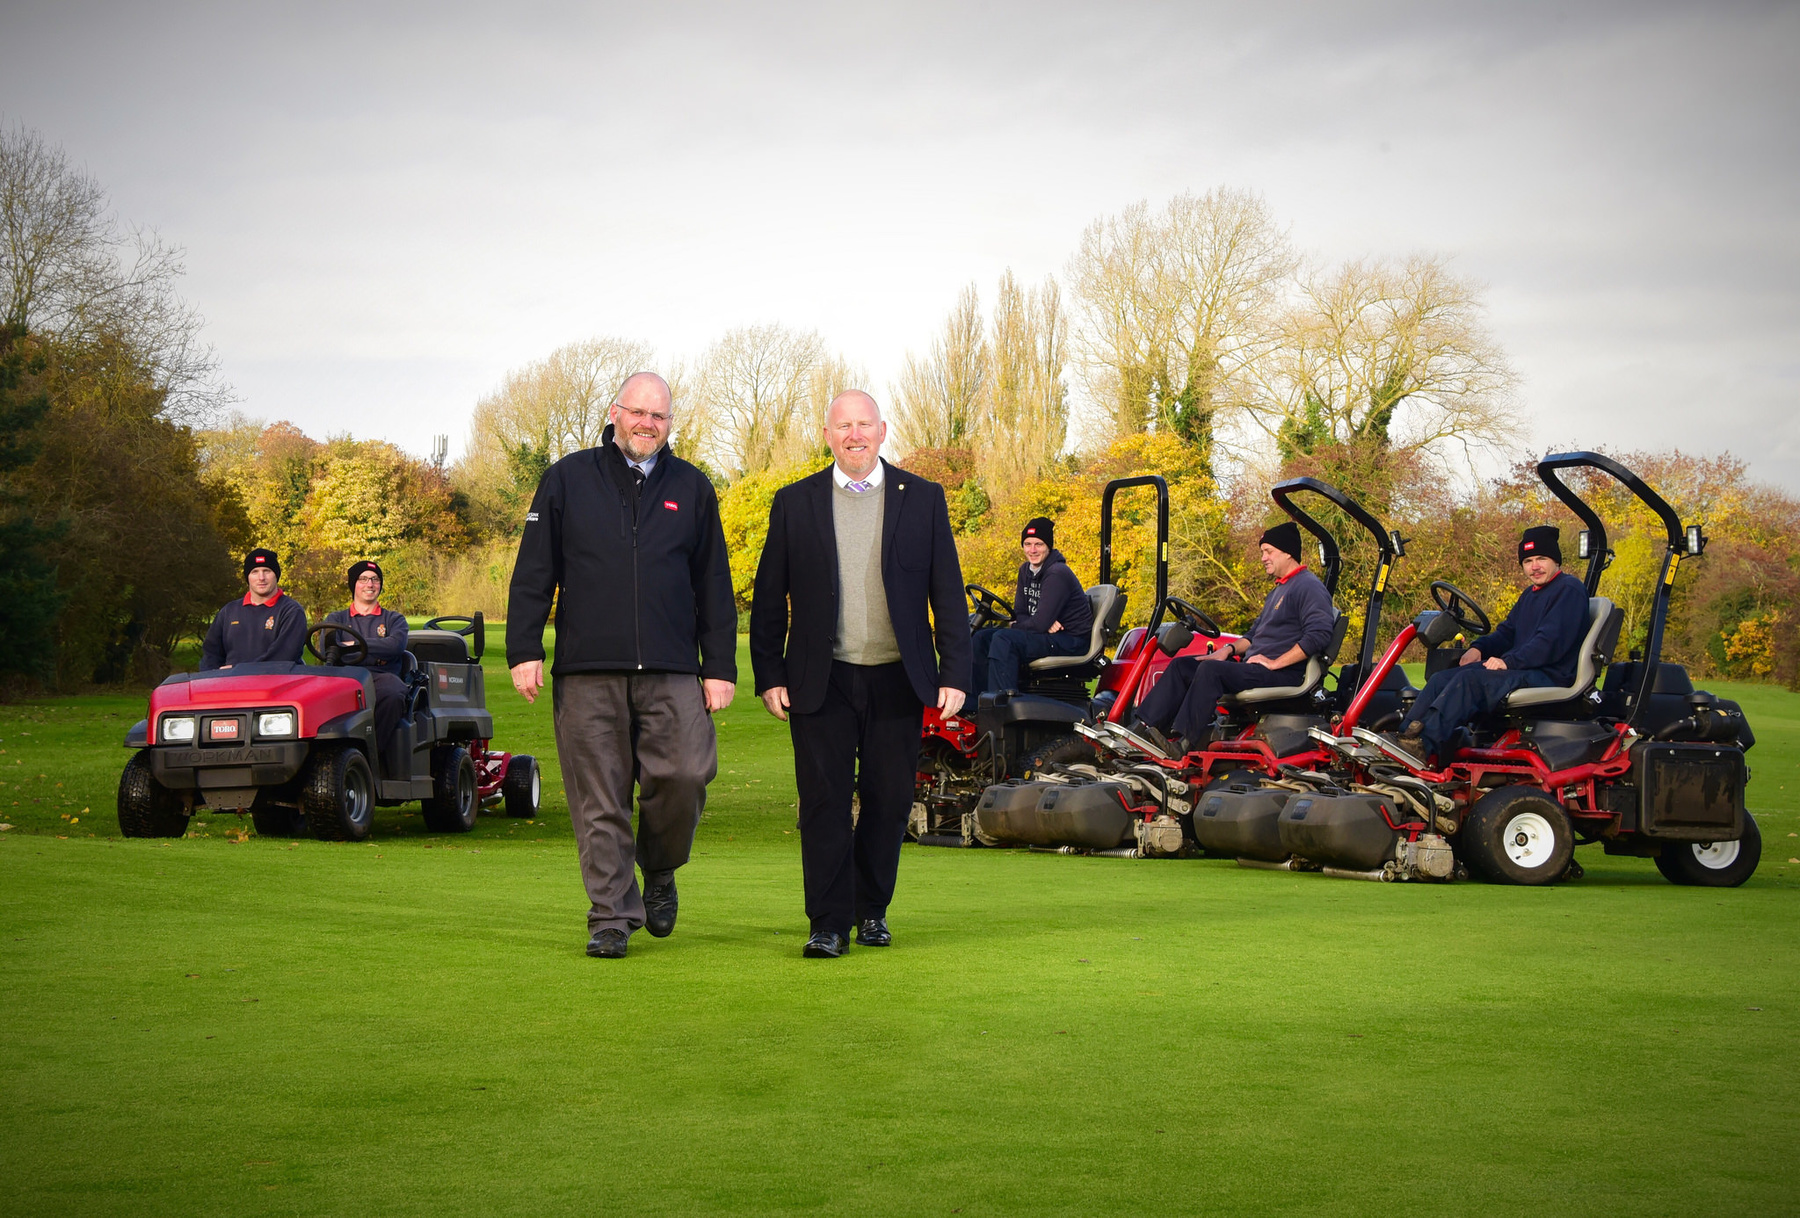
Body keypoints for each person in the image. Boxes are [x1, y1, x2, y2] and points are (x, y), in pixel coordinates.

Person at [506, 372, 737, 960]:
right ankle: (611, 914)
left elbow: (714, 584)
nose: (646, 424)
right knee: (599, 798)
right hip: (587, 670)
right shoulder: (567, 479)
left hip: (673, 668)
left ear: (670, 423)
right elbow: (534, 570)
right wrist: (524, 649)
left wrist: (720, 666)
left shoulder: (693, 487)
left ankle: (659, 868)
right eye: (637, 412)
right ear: (614, 413)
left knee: (686, 773)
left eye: (658, 416)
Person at [750, 389, 971, 959]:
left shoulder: (922, 499)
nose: (855, 434)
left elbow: (947, 592)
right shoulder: (793, 502)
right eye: (844, 425)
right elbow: (770, 598)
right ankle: (827, 921)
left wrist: (956, 674)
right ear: (827, 434)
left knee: (889, 800)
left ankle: (871, 910)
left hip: (898, 678)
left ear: (882, 430)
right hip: (819, 680)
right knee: (822, 801)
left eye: (864, 424)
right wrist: (770, 673)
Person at [1387, 526, 1589, 766]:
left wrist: (1508, 661)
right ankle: (1404, 738)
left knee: (1469, 681)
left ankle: (1421, 746)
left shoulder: (1569, 590)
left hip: (1550, 673)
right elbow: (1507, 633)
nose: (1534, 566)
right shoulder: (1530, 595)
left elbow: (1550, 642)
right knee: (1442, 679)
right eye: (1528, 561)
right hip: (1525, 669)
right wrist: (1479, 648)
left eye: (1541, 559)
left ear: (1555, 560)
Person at [1129, 521, 1334, 750]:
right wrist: (1226, 650)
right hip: (1256, 669)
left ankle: (1183, 744)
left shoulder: (1308, 587)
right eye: (1262, 552)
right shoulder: (1278, 590)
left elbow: (1319, 635)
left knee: (1211, 671)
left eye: (1269, 552)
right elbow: (1253, 635)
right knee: (1182, 666)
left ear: (1288, 553)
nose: (1263, 557)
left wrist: (1275, 663)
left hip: (1284, 674)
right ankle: (1138, 731)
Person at [970, 517, 1093, 694]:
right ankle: (974, 705)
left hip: (1071, 640)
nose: (1032, 550)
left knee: (1004, 640)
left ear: (1048, 546)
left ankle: (999, 707)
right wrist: (1038, 622)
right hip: (1048, 635)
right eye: (1027, 544)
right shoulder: (1025, 570)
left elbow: (1035, 623)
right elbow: (1020, 612)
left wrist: (1033, 623)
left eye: (1039, 544)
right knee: (981, 638)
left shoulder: (1057, 573)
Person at [321, 560, 410, 754]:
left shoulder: (394, 619)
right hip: (345, 677)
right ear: (353, 584)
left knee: (393, 693)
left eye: (375, 579)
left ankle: (372, 754)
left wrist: (354, 645)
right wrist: (376, 647)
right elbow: (328, 648)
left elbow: (395, 645)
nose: (369, 584)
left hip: (381, 677)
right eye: (363, 579)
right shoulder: (336, 619)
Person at [200, 548, 308, 670]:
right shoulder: (229, 611)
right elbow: (210, 654)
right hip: (231, 686)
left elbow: (283, 657)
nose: (261, 577)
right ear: (248, 577)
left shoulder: (291, 611)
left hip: (275, 685)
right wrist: (212, 677)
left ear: (276, 575)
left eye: (267, 571)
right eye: (255, 572)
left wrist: (238, 670)